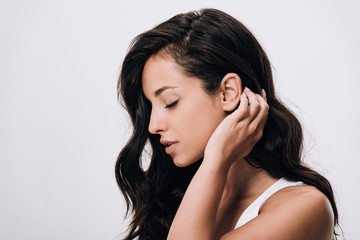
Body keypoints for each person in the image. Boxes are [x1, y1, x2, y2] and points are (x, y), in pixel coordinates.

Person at [115, 8, 339, 240]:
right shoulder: (174, 198)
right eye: (151, 106)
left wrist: (217, 158)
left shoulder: (305, 207)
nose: (153, 126)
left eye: (170, 102)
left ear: (228, 92)